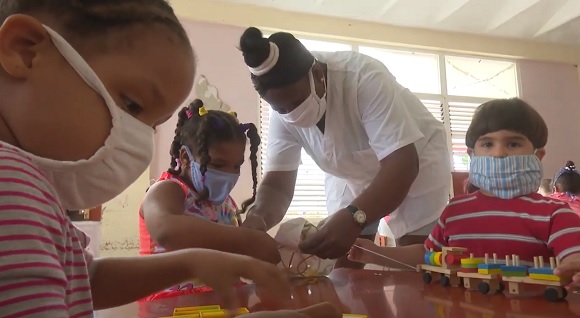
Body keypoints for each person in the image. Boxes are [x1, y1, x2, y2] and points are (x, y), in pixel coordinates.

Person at [0, 2, 300, 316]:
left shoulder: (34, 192)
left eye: (153, 126)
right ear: (25, 51)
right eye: (132, 105)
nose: (140, 144)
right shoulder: (11, 181)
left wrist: (192, 262)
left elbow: (83, 281)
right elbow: (165, 229)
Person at [238, 27, 451, 268]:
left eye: (297, 103)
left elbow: (402, 164)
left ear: (318, 74)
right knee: (343, 264)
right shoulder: (283, 111)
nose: (292, 114)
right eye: (281, 109)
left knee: (415, 264)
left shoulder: (364, 77)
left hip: (414, 163)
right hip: (350, 174)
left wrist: (354, 217)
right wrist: (256, 220)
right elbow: (277, 186)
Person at [347, 98, 580, 279]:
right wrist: (374, 253)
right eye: (487, 144)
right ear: (472, 155)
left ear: (537, 155)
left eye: (513, 143)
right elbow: (429, 256)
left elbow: (574, 256)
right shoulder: (456, 211)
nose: (498, 153)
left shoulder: (555, 214)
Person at [139, 99, 281, 300]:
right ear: (185, 157)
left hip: (221, 301)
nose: (229, 174)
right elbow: (165, 229)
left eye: (236, 166)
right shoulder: (168, 190)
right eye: (218, 164)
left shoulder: (226, 206)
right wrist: (246, 239)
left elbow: (233, 257)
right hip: (170, 306)